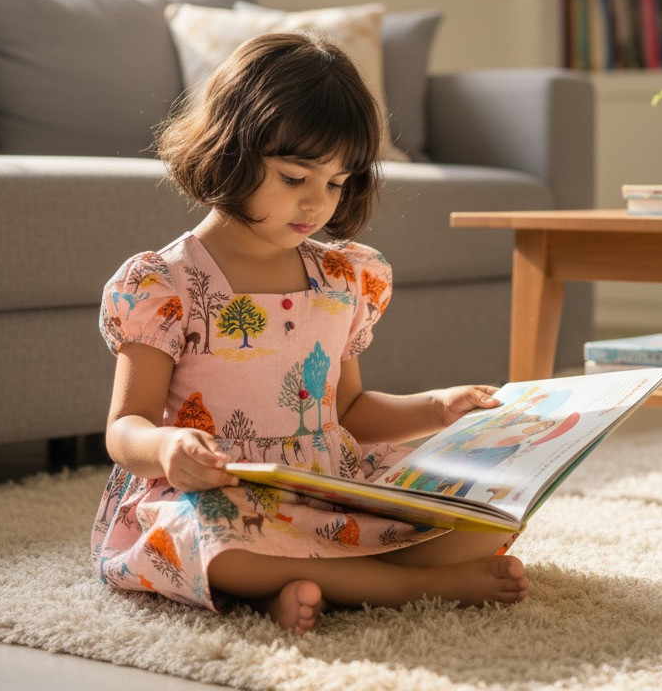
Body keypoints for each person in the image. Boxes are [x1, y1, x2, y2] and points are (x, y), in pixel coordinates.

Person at [91, 31, 528, 635]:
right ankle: (414, 585)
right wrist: (168, 450)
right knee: (214, 543)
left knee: (496, 509)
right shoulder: (163, 284)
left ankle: (297, 586)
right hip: (222, 492)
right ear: (231, 150)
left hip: (329, 485)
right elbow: (124, 428)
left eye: (336, 183)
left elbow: (347, 409)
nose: (317, 204)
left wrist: (437, 408)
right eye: (295, 178)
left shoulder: (344, 276)